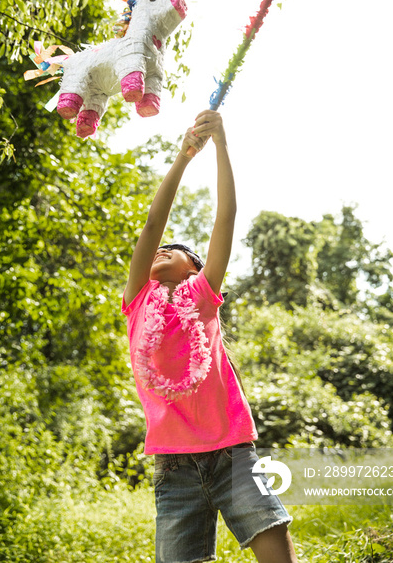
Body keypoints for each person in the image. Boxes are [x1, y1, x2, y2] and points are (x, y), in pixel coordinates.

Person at [122, 110, 297, 563]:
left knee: (275, 551)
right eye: (159, 248)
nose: (162, 248)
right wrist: (182, 157)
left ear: (196, 270)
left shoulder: (202, 294)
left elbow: (226, 217)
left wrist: (220, 146)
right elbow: (152, 223)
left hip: (231, 452)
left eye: (175, 250)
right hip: (173, 466)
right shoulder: (137, 301)